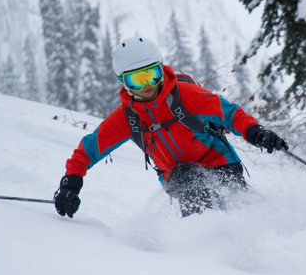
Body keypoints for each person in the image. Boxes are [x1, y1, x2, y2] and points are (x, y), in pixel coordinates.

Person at [54, 35, 287, 218]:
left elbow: (229, 114)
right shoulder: (127, 117)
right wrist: (70, 184)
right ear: (123, 82)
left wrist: (255, 131)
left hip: (220, 163)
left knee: (241, 208)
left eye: (152, 75)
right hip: (178, 175)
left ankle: (268, 233)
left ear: (160, 68)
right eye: (137, 79)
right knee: (188, 178)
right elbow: (89, 149)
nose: (147, 85)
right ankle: (207, 244)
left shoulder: (185, 95)